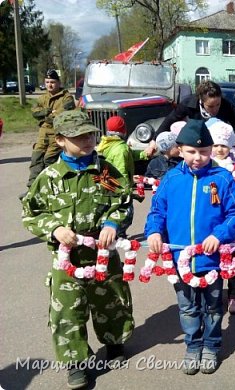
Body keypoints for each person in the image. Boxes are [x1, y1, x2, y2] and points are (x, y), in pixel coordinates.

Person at [21, 111, 134, 389]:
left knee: (111, 301)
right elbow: (31, 213)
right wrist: (54, 229)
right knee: (67, 312)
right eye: (78, 136)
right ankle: (76, 363)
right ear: (60, 140)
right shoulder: (49, 178)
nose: (87, 140)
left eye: (90, 134)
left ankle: (115, 342)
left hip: (102, 253)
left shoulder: (103, 171)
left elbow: (122, 202)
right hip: (66, 259)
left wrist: (112, 224)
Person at [144, 119, 235, 375]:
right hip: (180, 260)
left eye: (203, 152)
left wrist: (219, 235)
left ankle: (212, 345)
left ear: (211, 150)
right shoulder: (171, 179)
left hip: (211, 260)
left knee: (213, 305)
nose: (198, 157)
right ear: (180, 149)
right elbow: (157, 211)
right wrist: (154, 231)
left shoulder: (222, 178)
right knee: (188, 306)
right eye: (191, 151)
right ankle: (193, 345)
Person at [207, 117, 235, 314]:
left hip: (231, 219)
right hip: (211, 219)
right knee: (213, 257)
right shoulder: (206, 166)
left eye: (224, 146)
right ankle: (214, 293)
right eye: (216, 145)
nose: (219, 150)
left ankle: (233, 294)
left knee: (232, 257)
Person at [154, 80, 235, 154]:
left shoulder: (227, 106)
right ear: (201, 101)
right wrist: (153, 141)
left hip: (218, 148)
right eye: (210, 106)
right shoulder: (188, 103)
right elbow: (169, 121)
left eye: (218, 104)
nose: (215, 109)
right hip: (195, 145)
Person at [22, 69, 76, 195]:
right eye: (47, 82)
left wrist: (46, 116)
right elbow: (34, 112)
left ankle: (51, 189)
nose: (49, 85)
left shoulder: (66, 98)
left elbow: (60, 116)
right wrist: (48, 112)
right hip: (43, 133)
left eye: (52, 82)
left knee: (49, 160)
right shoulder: (43, 98)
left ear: (58, 83)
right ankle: (32, 189)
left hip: (57, 133)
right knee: (36, 159)